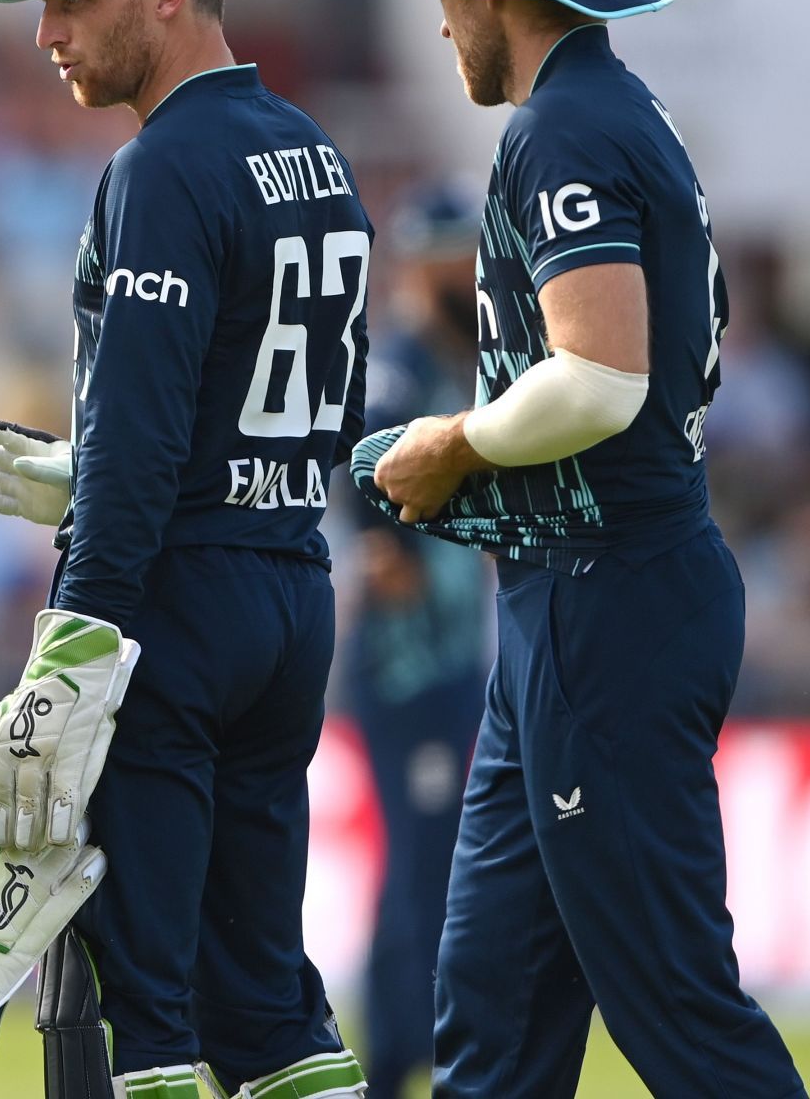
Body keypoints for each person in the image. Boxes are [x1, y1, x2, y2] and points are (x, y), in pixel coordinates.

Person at [351, 0, 806, 1097]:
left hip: (609, 601)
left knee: (672, 1002)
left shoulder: (563, 126)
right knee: (491, 1007)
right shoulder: (616, 110)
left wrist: (455, 440)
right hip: (576, 598)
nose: (438, 14)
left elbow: (602, 379)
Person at [0, 0, 372, 1099]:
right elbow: (318, 416)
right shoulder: (318, 153)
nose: (49, 34)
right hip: (293, 589)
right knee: (268, 993)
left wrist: (70, 646)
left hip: (174, 609)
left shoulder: (162, 168)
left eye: (75, 1)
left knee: (150, 1004)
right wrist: (74, 474)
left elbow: (140, 446)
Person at [340, 185, 489, 1095]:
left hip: (456, 655)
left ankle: (420, 1044)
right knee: (420, 862)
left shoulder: (460, 358)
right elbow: (354, 454)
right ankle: (398, 1055)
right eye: (458, 254)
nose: (474, 271)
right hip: (407, 662)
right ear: (422, 261)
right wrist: (382, 545)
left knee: (437, 862)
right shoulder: (396, 360)